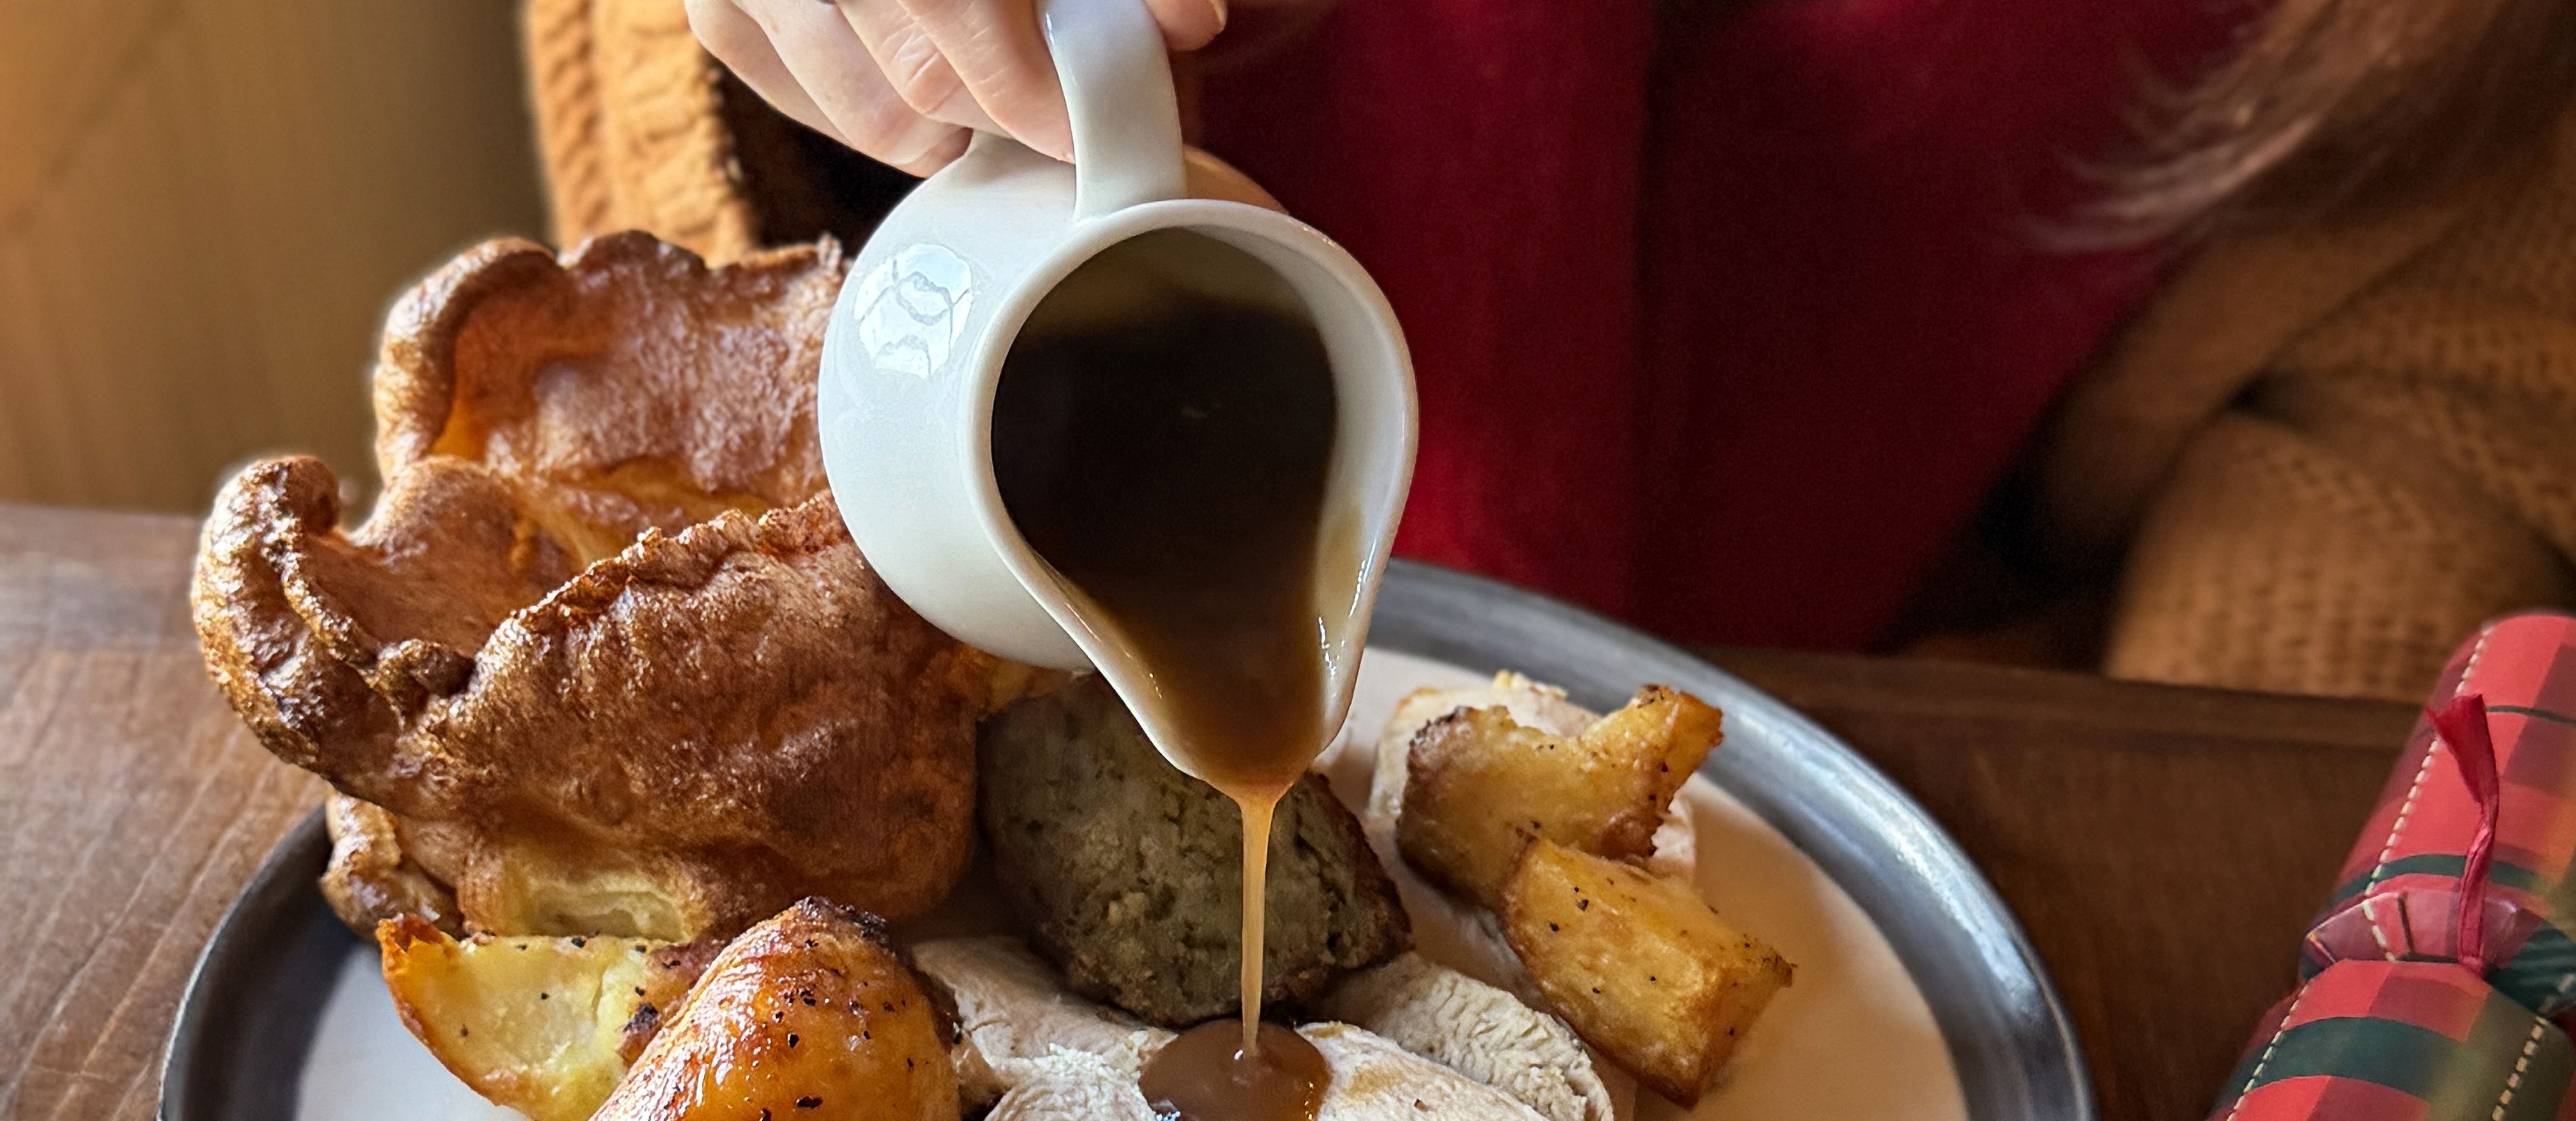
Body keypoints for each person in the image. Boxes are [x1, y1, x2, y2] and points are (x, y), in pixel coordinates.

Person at [557, 0, 2576, 702]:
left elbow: (2417, 363)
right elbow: (693, 238)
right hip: (982, 540)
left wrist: (2233, 947)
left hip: (1946, 691)